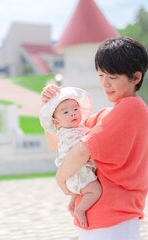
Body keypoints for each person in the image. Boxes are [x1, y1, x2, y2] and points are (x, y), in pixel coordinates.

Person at [41, 36, 148, 240]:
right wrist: (51, 109)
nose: (105, 84)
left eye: (112, 77)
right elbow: (58, 143)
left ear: (136, 77)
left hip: (114, 215)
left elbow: (82, 151)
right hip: (98, 216)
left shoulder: (131, 107)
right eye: (101, 75)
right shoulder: (106, 115)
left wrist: (60, 178)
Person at [39, 87, 103, 228]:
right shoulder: (69, 134)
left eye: (75, 109)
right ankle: (80, 209)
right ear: (56, 122)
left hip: (74, 174)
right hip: (78, 173)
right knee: (94, 190)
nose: (72, 113)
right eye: (66, 112)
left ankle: (72, 203)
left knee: (80, 188)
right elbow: (83, 149)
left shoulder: (72, 129)